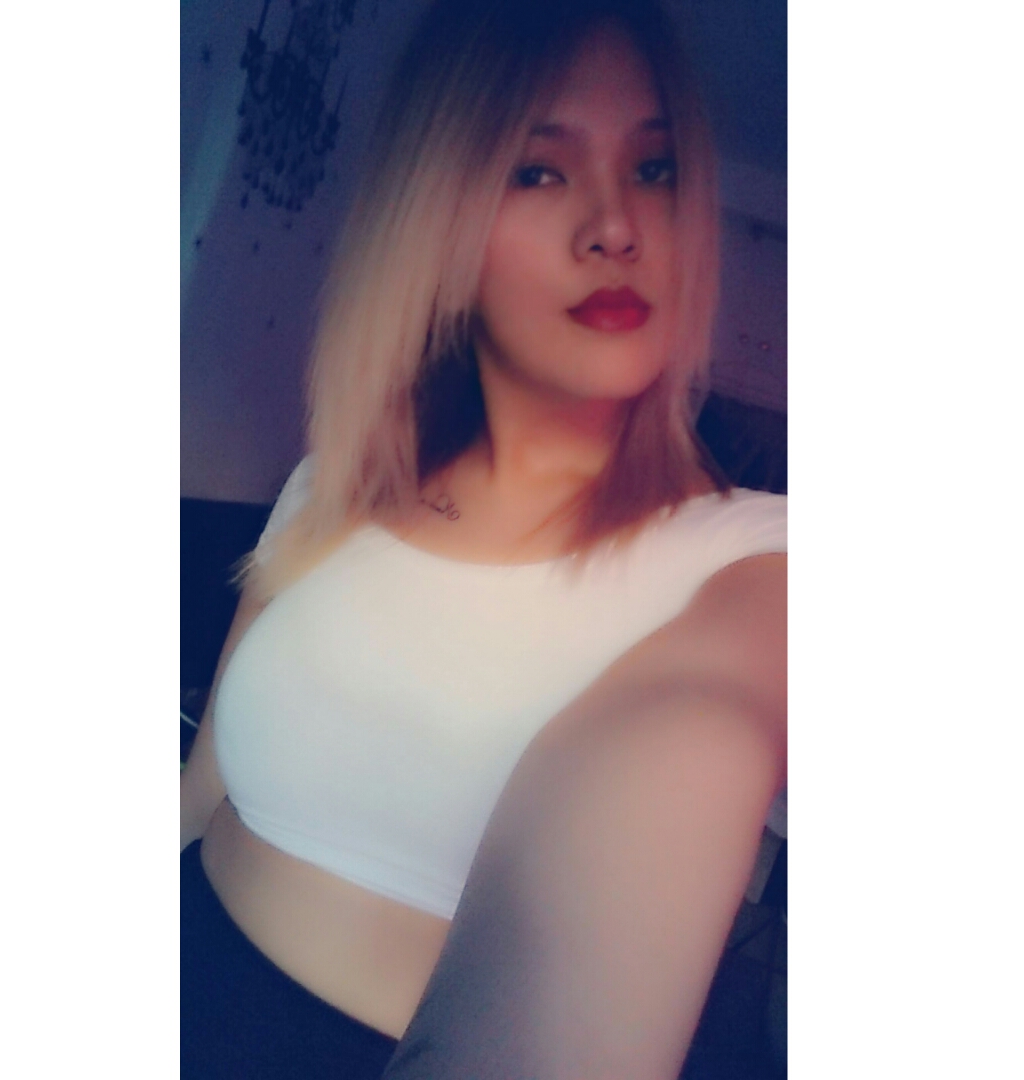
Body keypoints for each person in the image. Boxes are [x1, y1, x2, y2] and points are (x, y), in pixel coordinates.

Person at [180, 1, 787, 1077]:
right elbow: (198, 793)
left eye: (653, 170)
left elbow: (697, 731)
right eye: (538, 171)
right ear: (435, 221)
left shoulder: (759, 565)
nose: (616, 226)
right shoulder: (333, 489)